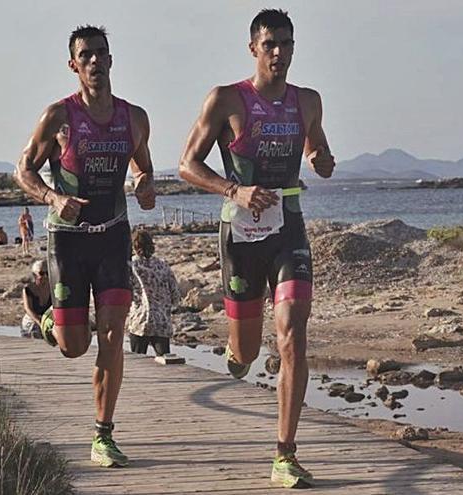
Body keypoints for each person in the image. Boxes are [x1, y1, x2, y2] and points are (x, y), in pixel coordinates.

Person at [178, 9, 335, 489]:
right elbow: (186, 165)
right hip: (241, 234)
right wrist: (234, 191)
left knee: (292, 333)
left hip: (289, 229)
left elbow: (319, 157)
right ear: (253, 48)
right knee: (246, 348)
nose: (279, 53)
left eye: (286, 44)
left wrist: (322, 160)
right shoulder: (227, 99)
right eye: (270, 44)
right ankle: (238, 348)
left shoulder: (307, 101)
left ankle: (284, 454)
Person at [14, 25, 156, 468]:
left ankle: (103, 435)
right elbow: (23, 170)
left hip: (114, 236)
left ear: (111, 60)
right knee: (73, 346)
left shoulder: (134, 117)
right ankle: (40, 320)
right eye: (85, 55)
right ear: (73, 65)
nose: (94, 61)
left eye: (101, 54)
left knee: (113, 336)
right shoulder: (58, 116)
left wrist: (145, 185)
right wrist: (54, 198)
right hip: (68, 242)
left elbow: (144, 168)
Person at [127, 230, 180, 357]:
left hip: (140, 320)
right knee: (164, 359)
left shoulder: (131, 265)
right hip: (161, 320)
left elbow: (126, 290)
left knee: (138, 361)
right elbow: (175, 293)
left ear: (134, 246)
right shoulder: (162, 265)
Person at [21, 260, 50, 339]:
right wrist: (39, 322)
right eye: (41, 273)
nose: (45, 276)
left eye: (47, 273)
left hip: (47, 319)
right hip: (32, 321)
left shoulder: (52, 288)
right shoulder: (28, 289)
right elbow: (28, 309)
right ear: (34, 274)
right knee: (36, 329)